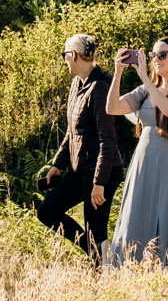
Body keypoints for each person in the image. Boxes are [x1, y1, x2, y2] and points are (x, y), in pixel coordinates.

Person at [105, 37, 168, 268]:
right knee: (137, 214)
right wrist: (118, 73)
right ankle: (131, 267)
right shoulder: (145, 90)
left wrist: (146, 79)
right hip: (144, 160)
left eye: (162, 54)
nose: (156, 59)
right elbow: (112, 107)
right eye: (152, 55)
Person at [35, 34, 125, 262]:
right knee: (47, 211)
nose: (65, 60)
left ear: (73, 55)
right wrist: (57, 165)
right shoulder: (77, 84)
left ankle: (104, 271)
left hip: (101, 171)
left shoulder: (100, 87)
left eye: (66, 55)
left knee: (95, 228)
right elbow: (71, 131)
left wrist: (99, 182)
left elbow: (108, 139)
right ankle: (96, 252)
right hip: (80, 169)